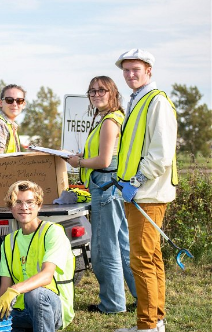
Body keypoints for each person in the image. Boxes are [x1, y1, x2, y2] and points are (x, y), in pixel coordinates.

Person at [113, 50, 177, 332]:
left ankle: (147, 326)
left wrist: (135, 182)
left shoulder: (156, 101)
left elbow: (160, 155)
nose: (130, 75)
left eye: (135, 69)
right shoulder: (137, 100)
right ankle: (156, 322)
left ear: (149, 70)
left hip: (147, 194)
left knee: (141, 260)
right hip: (140, 194)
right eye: (126, 70)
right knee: (151, 258)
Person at [66, 76, 137, 314]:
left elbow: (104, 160)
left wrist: (79, 162)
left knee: (104, 248)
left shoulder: (110, 121)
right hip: (113, 185)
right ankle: (141, 297)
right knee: (122, 245)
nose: (96, 94)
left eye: (102, 90)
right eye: (92, 91)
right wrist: (84, 156)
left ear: (112, 93)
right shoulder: (112, 118)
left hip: (106, 185)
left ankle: (112, 304)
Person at [0, 180, 75, 332]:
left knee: (35, 295)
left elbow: (46, 276)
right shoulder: (9, 241)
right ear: (10, 207)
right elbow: (4, 289)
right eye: (18, 202)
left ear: (39, 205)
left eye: (30, 202)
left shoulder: (52, 232)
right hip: (21, 311)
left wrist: (14, 290)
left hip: (53, 308)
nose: (24, 207)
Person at [0, 84, 26, 154]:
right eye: (9, 100)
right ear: (1, 103)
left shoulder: (12, 126)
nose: (15, 104)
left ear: (23, 104)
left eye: (19, 101)